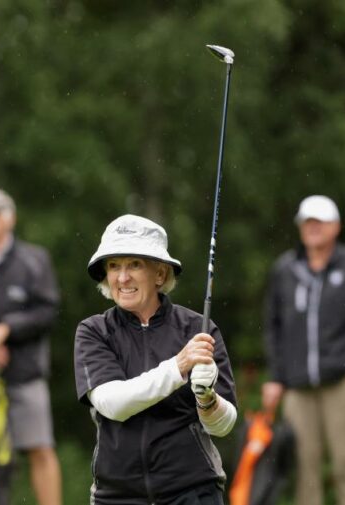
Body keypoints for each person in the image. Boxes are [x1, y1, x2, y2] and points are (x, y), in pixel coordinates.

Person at [74, 214, 238, 505]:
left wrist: (207, 399)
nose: (122, 277)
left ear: (160, 274)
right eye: (114, 266)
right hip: (117, 496)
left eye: (134, 264)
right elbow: (114, 404)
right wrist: (178, 367)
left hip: (192, 491)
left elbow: (223, 426)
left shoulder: (199, 329)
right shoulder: (94, 331)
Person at [262, 195, 345, 505]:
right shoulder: (285, 269)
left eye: (319, 222)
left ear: (336, 226)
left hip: (343, 380)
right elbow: (273, 325)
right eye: (307, 222)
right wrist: (277, 376)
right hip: (297, 386)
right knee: (305, 468)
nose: (313, 228)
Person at [0, 188, 62, 505]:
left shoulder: (34, 259)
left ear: (10, 219)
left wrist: (7, 330)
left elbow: (47, 311)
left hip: (26, 372)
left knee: (40, 447)